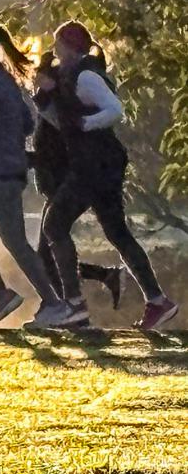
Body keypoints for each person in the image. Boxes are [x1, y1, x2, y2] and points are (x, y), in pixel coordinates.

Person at [37, 21, 179, 329]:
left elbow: (115, 110)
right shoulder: (68, 77)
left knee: (54, 224)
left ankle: (74, 305)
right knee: (116, 232)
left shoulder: (86, 76)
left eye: (58, 45)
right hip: (99, 164)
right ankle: (158, 301)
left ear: (70, 47)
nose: (54, 51)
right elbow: (62, 123)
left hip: (95, 164)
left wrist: (84, 125)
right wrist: (45, 96)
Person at [0, 22, 83, 328]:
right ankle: (1, 293)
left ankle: (54, 304)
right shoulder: (7, 80)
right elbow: (27, 123)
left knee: (15, 242)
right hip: (0, 173)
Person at [30, 51, 126, 315]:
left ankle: (70, 306)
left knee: (47, 249)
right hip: (58, 179)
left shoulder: (58, 107)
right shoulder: (51, 106)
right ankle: (97, 280)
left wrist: (32, 159)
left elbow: (57, 146)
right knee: (46, 252)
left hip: (63, 180)